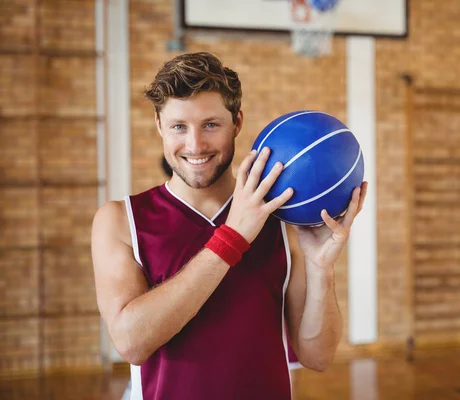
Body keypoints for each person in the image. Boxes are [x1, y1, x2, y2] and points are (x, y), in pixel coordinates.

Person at [92, 51, 367, 400]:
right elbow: (131, 343)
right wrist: (232, 237)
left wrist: (320, 269)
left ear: (236, 122)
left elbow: (318, 356)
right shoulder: (120, 220)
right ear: (159, 125)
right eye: (179, 126)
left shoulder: (281, 219)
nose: (195, 145)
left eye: (210, 124)